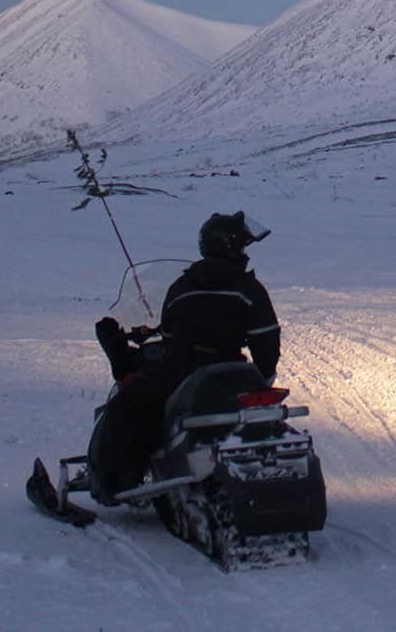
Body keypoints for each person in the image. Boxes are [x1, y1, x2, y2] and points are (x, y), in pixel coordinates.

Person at [85, 211, 282, 502]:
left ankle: (113, 480)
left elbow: (169, 337)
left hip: (182, 371)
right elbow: (266, 340)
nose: (245, 253)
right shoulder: (248, 289)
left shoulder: (183, 287)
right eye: (241, 246)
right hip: (231, 373)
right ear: (229, 247)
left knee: (126, 404)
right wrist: (261, 379)